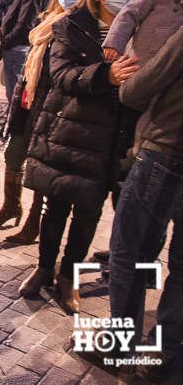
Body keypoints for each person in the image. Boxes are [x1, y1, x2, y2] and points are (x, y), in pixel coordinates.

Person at [20, 0, 145, 314]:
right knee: (56, 204)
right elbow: (62, 74)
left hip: (113, 139)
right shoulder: (72, 25)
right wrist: (105, 75)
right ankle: (44, 267)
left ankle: (68, 277)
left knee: (88, 212)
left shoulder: (140, 30)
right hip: (70, 130)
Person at [0, 0, 93, 239]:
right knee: (13, 154)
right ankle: (11, 205)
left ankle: (33, 222)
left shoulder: (82, 28)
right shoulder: (49, 20)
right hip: (29, 97)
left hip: (53, 106)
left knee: (41, 167)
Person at [104, 27, 183, 379]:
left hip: (167, 150)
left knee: (129, 252)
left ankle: (121, 347)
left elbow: (139, 87)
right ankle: (165, 352)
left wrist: (126, 79)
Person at [0, 0, 52, 105]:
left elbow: (26, 23)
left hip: (18, 47)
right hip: (17, 46)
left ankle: (12, 127)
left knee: (14, 94)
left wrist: (7, 41)